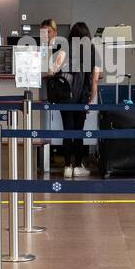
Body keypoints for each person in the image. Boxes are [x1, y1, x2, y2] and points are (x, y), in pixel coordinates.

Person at [47, 21, 101, 176]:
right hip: (82, 97)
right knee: (78, 131)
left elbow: (54, 69)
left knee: (67, 130)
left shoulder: (66, 47)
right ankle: (77, 166)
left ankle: (67, 167)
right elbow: (95, 79)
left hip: (65, 95)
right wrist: (91, 97)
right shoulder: (92, 51)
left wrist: (46, 71)